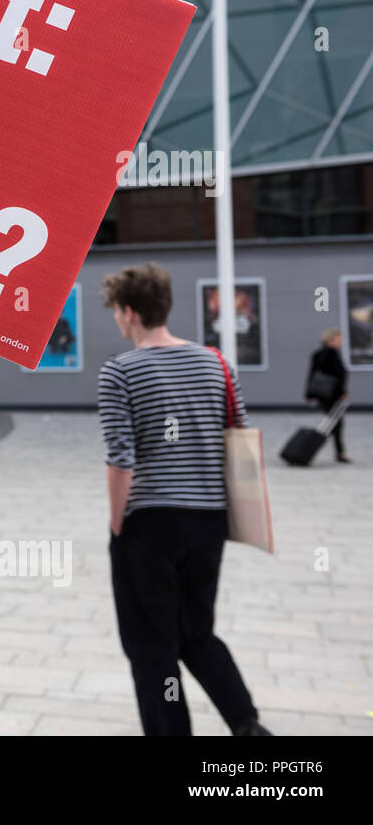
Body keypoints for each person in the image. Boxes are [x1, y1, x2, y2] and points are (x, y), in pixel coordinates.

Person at [97, 263, 270, 736]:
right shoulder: (216, 362)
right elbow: (236, 434)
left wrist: (117, 525)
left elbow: (121, 458)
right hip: (208, 520)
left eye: (116, 310)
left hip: (149, 524)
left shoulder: (120, 371)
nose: (116, 318)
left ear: (129, 312)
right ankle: (248, 725)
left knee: (151, 647)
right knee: (195, 632)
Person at [305, 328, 350, 463]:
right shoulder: (330, 355)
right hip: (331, 395)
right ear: (330, 340)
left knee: (332, 423)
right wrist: (342, 392)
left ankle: (338, 452)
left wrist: (309, 393)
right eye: (338, 339)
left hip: (324, 394)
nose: (340, 342)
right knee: (333, 424)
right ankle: (309, 448)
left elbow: (312, 375)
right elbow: (337, 376)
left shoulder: (320, 354)